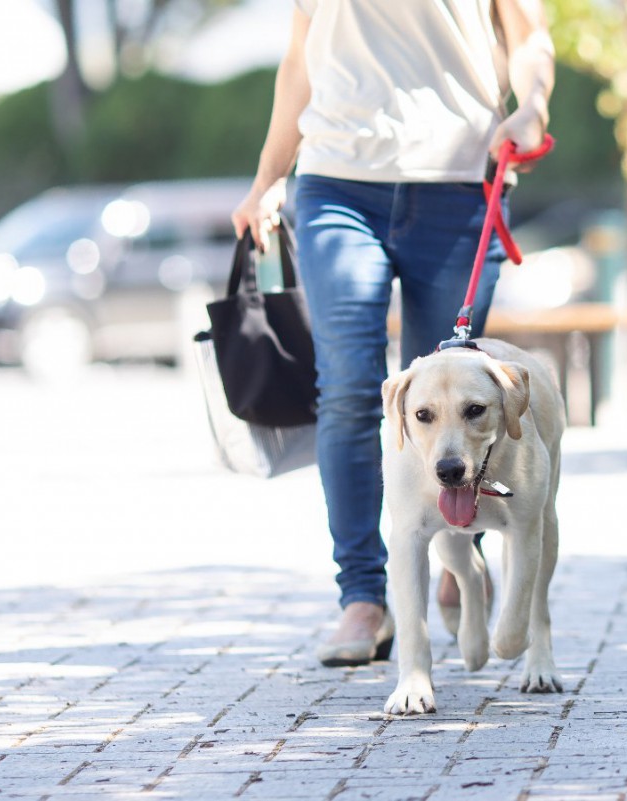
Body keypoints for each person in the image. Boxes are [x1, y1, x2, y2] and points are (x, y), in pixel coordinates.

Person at [231, 0, 555, 667]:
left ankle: (457, 551)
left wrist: (533, 107)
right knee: (351, 388)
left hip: (459, 180)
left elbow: (529, 37)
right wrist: (269, 175)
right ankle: (363, 597)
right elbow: (300, 55)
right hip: (335, 183)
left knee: (454, 398)